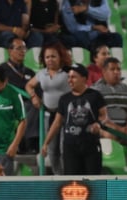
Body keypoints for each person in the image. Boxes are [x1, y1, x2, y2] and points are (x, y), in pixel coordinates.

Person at [41, 63, 125, 175]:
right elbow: (57, 123)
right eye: (69, 77)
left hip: (91, 146)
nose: (70, 80)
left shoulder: (95, 96)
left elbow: (104, 117)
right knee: (72, 182)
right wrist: (46, 143)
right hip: (70, 147)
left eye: (73, 77)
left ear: (84, 79)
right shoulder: (64, 99)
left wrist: (98, 125)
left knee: (93, 181)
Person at [25, 41, 72, 175]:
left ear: (60, 57)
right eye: (47, 57)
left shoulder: (68, 72)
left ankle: (67, 176)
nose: (50, 60)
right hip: (49, 114)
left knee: (64, 148)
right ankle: (58, 175)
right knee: (52, 149)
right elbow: (29, 85)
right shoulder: (42, 73)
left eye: (53, 56)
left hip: (66, 115)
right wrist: (33, 96)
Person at [0, 36, 37, 154]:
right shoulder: (2, 70)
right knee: (30, 107)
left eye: (24, 48)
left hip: (28, 103)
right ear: (9, 51)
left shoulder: (29, 72)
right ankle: (28, 142)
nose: (22, 51)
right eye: (19, 48)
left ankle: (30, 142)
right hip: (9, 104)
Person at [91, 57, 127, 137]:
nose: (116, 72)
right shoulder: (95, 90)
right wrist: (120, 129)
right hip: (106, 128)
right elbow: (100, 117)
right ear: (104, 71)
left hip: (125, 128)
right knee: (110, 135)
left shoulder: (126, 89)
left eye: (118, 69)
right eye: (112, 69)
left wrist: (126, 128)